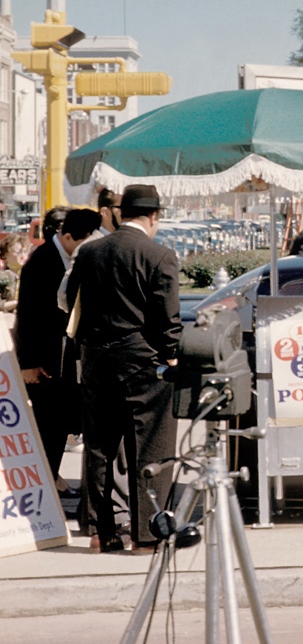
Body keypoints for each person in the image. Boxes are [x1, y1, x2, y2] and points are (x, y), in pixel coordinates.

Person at [67, 184, 182, 554]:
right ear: (154, 216)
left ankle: (103, 532)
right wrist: (170, 354)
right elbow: (169, 317)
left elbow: (69, 300)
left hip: (98, 358)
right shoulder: (159, 254)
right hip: (142, 361)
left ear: (120, 213)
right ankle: (147, 533)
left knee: (99, 447)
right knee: (150, 446)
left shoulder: (90, 251)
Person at [14, 208, 100, 487]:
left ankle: (50, 482)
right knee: (46, 429)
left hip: (64, 362)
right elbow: (26, 316)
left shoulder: (75, 258)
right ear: (65, 236)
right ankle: (43, 486)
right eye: (80, 242)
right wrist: (27, 363)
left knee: (60, 426)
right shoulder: (41, 262)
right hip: (42, 362)